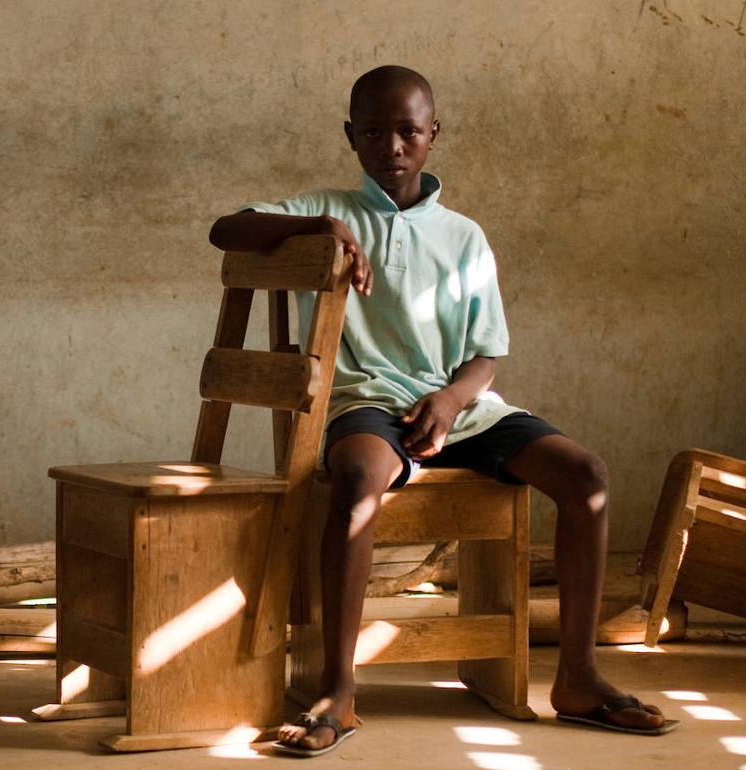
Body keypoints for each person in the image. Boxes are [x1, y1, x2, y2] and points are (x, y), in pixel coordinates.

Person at [208, 65, 676, 757]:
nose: (392, 147)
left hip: (460, 407)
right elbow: (225, 229)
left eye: (408, 131)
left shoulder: (464, 237)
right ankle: (338, 689)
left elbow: (486, 355)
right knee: (358, 480)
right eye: (374, 132)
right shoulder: (325, 209)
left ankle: (578, 678)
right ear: (351, 136)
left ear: (434, 134)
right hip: (364, 401)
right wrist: (322, 227)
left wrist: (453, 401)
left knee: (587, 476)